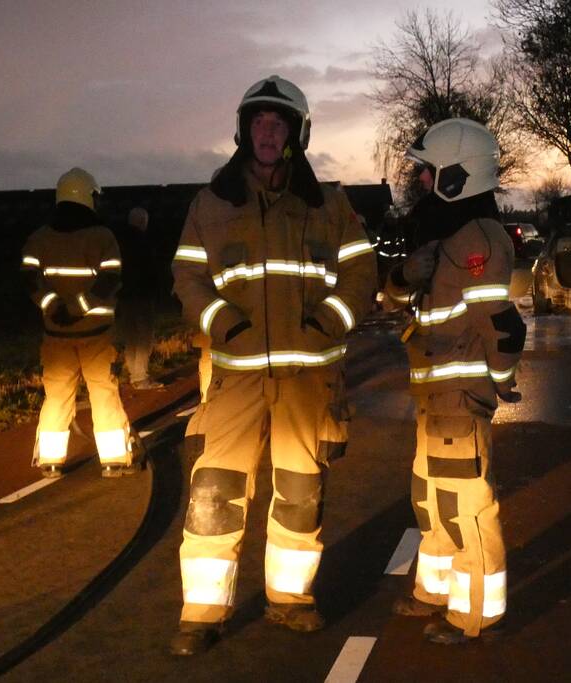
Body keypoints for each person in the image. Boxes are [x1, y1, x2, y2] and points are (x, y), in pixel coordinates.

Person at [168, 75, 376, 656]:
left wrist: (329, 321)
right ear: (243, 130)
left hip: (310, 378)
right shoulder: (209, 205)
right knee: (214, 491)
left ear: (295, 134)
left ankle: (290, 600)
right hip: (235, 376)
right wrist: (219, 322)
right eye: (259, 122)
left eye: (277, 123)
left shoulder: (330, 206)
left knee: (300, 492)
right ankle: (201, 614)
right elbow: (186, 276)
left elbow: (363, 274)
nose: (266, 132)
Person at [384, 118, 526, 644]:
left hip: (459, 398)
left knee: (465, 506)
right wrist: (404, 276)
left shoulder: (480, 239)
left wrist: (502, 382)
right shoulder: (441, 235)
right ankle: (435, 589)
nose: (421, 180)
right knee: (429, 497)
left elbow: (503, 326)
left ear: (456, 176)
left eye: (429, 171)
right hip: (432, 395)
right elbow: (395, 300)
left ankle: (476, 614)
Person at [20, 167, 138, 478]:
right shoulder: (103, 237)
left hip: (55, 335)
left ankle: (50, 460)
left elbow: (31, 281)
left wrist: (54, 307)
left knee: (57, 395)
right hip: (96, 335)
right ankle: (114, 461)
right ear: (88, 197)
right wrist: (78, 307)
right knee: (103, 392)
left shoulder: (38, 239)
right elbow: (109, 280)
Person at [115, 206, 163, 390]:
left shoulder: (118, 243)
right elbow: (151, 271)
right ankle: (140, 377)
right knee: (144, 338)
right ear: (143, 222)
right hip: (142, 296)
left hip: (124, 296)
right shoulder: (144, 242)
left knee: (131, 336)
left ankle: (133, 374)